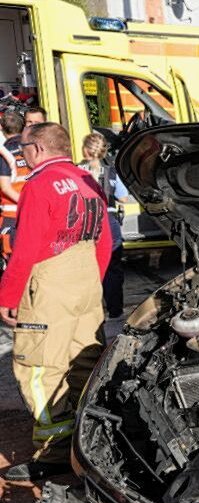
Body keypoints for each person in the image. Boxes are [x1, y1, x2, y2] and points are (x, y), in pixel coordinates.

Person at [0, 122, 112, 481]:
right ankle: (90, 444)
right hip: (87, 280)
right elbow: (104, 243)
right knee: (85, 364)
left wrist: (9, 295)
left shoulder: (40, 184)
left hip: (50, 281)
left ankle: (54, 454)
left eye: (24, 148)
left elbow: (27, 247)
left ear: (38, 149)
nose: (22, 154)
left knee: (38, 367)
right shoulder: (88, 181)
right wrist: (92, 284)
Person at [78, 133, 129, 318]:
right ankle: (115, 311)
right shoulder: (112, 172)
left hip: (85, 223)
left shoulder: (76, 170)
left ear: (85, 150)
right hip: (109, 222)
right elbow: (123, 197)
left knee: (85, 267)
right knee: (112, 267)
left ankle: (90, 311)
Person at [0, 111, 27, 264]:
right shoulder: (32, 150)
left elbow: (4, 187)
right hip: (34, 213)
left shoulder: (5, 153)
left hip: (11, 217)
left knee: (12, 264)